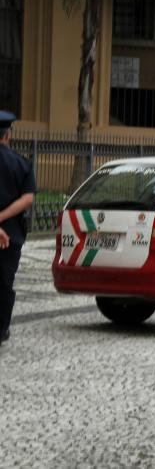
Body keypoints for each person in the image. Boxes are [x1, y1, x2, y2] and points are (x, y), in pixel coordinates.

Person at [0, 112, 36, 346]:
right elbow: (28, 198)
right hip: (9, 236)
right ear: (8, 136)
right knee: (4, 283)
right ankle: (1, 329)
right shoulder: (21, 163)